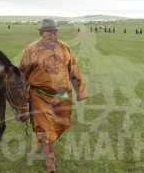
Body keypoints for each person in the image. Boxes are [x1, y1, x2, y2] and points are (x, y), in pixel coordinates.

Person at [19, 18, 88, 172]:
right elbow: (22, 74)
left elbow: (74, 70)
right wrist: (24, 94)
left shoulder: (65, 48)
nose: (52, 35)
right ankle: (50, 162)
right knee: (45, 128)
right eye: (48, 33)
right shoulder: (31, 50)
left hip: (63, 96)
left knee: (61, 125)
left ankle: (49, 142)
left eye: (54, 32)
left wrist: (80, 91)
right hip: (40, 95)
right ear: (41, 33)